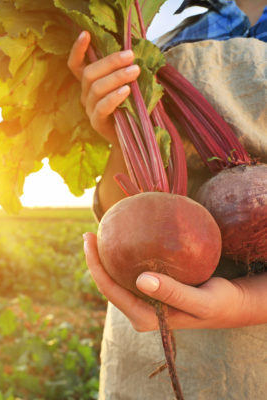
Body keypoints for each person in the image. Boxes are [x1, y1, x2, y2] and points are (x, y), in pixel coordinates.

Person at [67, 0, 267, 398]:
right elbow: (117, 209)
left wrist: (247, 300)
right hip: (142, 353)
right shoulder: (160, 43)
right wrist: (118, 127)